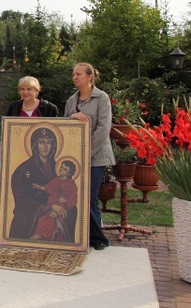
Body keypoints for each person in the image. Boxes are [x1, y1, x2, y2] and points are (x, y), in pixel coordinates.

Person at [64, 62, 114, 250]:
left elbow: (103, 128)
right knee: (76, 196)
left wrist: (86, 151)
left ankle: (97, 238)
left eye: (79, 74)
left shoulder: (102, 98)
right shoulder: (71, 100)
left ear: (89, 76)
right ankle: (83, 235)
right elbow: (64, 126)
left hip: (96, 156)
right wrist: (72, 117)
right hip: (75, 157)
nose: (75, 77)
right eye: (73, 74)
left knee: (90, 197)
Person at [9, 127, 77, 240]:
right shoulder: (22, 171)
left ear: (53, 145)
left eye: (49, 143)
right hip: (33, 213)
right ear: (35, 146)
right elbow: (22, 202)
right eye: (41, 143)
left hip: (56, 208)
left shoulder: (58, 169)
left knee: (72, 210)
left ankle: (64, 243)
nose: (46, 147)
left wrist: (62, 204)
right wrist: (48, 207)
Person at [31, 159, 78, 241]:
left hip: (63, 205)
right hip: (53, 203)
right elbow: (47, 188)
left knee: (51, 217)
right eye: (61, 167)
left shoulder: (71, 183)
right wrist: (38, 187)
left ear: (69, 173)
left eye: (65, 169)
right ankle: (41, 234)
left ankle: (41, 234)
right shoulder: (56, 180)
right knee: (43, 218)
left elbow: (74, 198)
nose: (61, 169)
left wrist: (65, 200)